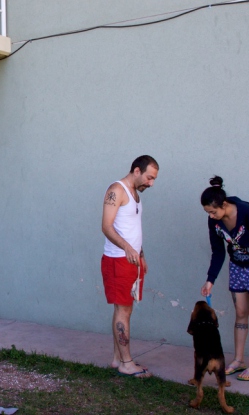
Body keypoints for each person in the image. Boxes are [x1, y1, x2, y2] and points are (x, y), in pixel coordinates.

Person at [199, 176, 249, 382]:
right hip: (237, 267)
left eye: (213, 211)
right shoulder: (213, 220)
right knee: (240, 313)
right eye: (208, 213)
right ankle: (238, 360)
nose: (211, 216)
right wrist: (210, 279)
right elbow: (218, 251)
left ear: (224, 204)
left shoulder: (248, 213)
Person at [101, 155, 159, 377]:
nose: (151, 183)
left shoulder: (135, 194)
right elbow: (106, 226)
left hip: (131, 261)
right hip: (117, 260)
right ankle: (126, 363)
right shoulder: (117, 190)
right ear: (137, 170)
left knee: (124, 309)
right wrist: (127, 248)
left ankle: (118, 359)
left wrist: (140, 254)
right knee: (123, 310)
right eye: (149, 177)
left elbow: (133, 228)